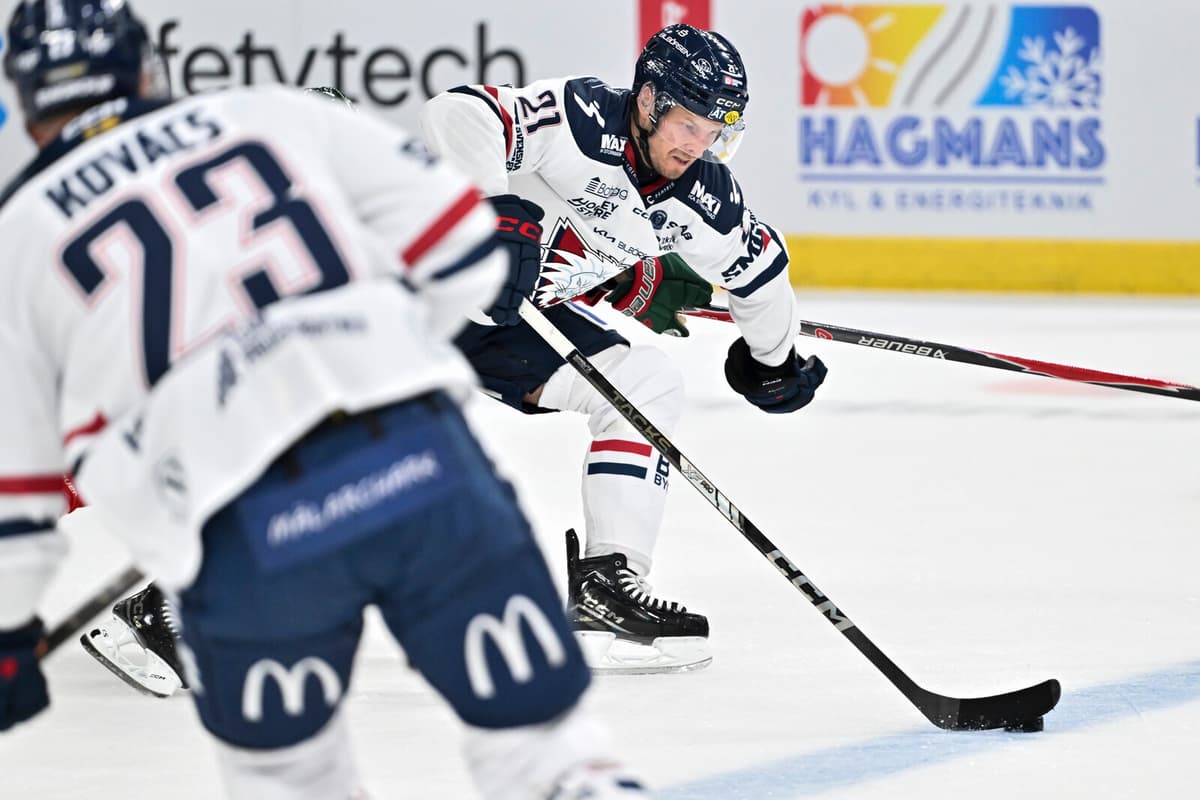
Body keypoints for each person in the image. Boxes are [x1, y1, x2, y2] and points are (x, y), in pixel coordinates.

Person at [0, 2, 650, 798]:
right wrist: (379, 364)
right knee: (549, 757)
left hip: (248, 534)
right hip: (424, 465)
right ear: (147, 70)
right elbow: (463, 258)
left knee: (293, 780)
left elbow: (21, 474)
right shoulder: (269, 116)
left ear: (27, 108)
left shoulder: (22, 232)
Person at [417, 23, 828, 673]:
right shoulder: (582, 120)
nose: (700, 146)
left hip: (509, 324)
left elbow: (761, 270)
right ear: (647, 103)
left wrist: (774, 359)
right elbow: (460, 112)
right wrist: (485, 217)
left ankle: (608, 583)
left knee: (648, 384)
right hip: (411, 288)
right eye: (689, 125)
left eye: (716, 132)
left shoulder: (703, 196)